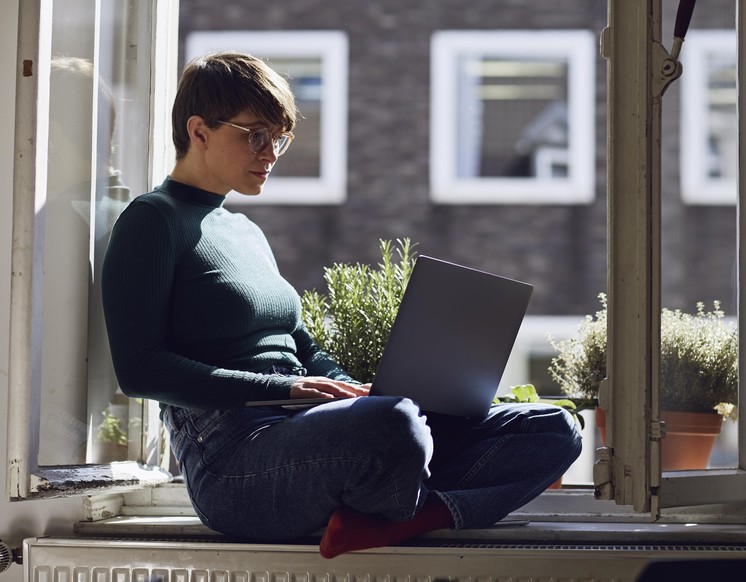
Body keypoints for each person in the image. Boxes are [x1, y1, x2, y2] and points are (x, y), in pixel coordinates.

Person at [101, 51, 582, 559]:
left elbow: (301, 343)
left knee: (552, 427)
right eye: (256, 135)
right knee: (394, 425)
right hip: (234, 459)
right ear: (198, 131)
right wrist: (289, 388)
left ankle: (406, 518)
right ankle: (400, 502)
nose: (271, 152)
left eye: (279, 138)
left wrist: (357, 389)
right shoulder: (151, 221)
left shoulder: (243, 230)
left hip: (311, 434)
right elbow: (140, 370)